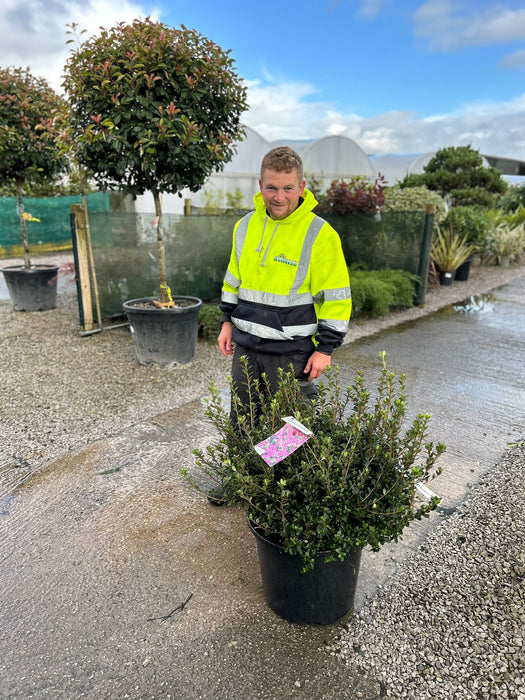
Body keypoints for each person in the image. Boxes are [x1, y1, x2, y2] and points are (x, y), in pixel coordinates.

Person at [217, 145, 352, 416]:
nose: (279, 197)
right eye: (271, 188)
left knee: (291, 435)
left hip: (291, 354)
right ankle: (246, 460)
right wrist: (226, 322)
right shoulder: (244, 226)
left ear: (301, 187)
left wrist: (325, 349)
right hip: (246, 349)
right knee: (244, 424)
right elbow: (233, 279)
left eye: (288, 188)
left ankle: (279, 461)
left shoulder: (321, 234)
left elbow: (335, 298)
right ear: (260, 185)